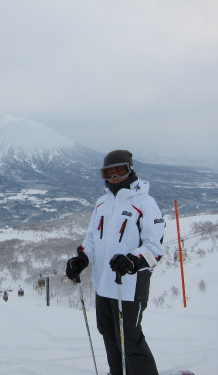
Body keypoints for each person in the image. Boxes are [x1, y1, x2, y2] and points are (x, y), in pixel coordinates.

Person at [66, 149, 165, 375]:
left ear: (130, 170)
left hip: (129, 285)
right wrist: (81, 258)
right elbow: (91, 238)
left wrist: (133, 260)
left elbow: (155, 247)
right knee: (109, 334)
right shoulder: (102, 203)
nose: (114, 178)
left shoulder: (145, 203)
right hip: (104, 284)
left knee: (129, 339)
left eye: (119, 171)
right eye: (108, 173)